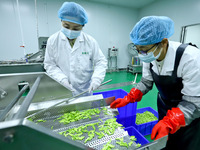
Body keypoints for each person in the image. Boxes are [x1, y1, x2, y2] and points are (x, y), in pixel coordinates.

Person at [110, 16, 200, 150]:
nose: (141, 54)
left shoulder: (191, 58)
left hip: (188, 115)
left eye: (144, 49)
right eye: (137, 49)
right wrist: (130, 97)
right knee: (166, 143)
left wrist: (171, 121)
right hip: (164, 107)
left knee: (185, 145)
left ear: (163, 42)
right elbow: (146, 82)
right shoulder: (150, 55)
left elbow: (194, 103)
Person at [44, 2, 107, 96]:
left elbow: (100, 61)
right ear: (61, 21)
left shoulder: (90, 41)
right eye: (66, 26)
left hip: (85, 91)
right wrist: (62, 79)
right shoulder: (53, 40)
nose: (70, 31)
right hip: (62, 89)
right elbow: (50, 65)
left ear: (82, 26)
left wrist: (97, 78)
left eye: (76, 28)